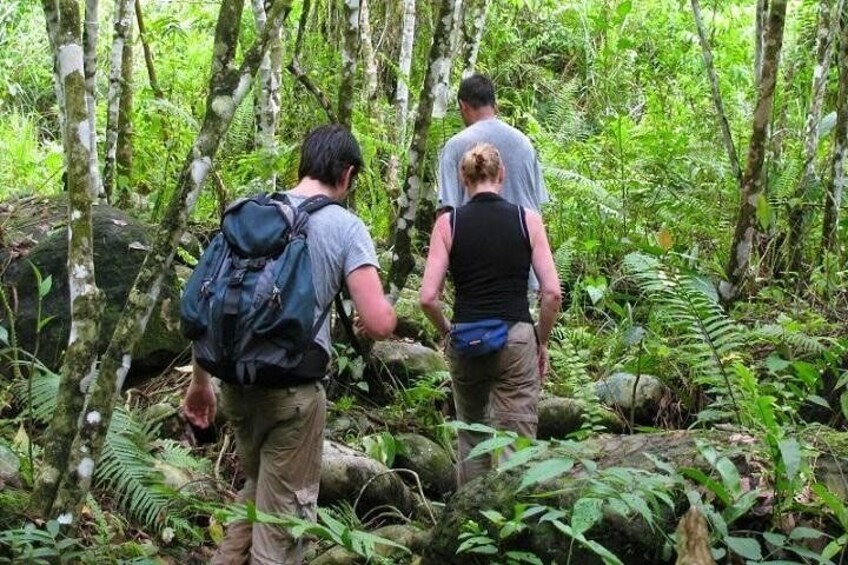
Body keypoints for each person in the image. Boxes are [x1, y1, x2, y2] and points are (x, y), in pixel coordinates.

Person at [183, 124, 396, 564]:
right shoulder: (346, 227)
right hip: (292, 397)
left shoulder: (253, 214)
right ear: (348, 174)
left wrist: (199, 383)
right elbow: (378, 322)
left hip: (235, 387)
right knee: (283, 525)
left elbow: (211, 303)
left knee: (260, 490)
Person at [420, 143, 561, 486]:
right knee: (519, 439)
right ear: (502, 175)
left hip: (467, 339)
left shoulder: (447, 224)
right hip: (515, 337)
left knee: (471, 437)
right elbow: (552, 292)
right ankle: (516, 524)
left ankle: (471, 524)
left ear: (461, 178)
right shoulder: (527, 220)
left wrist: (447, 331)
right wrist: (540, 341)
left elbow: (427, 297)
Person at [437, 73, 548, 214]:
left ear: (462, 105)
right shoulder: (524, 143)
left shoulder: (455, 146)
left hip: (473, 233)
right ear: (495, 105)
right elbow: (536, 205)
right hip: (521, 233)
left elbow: (446, 209)